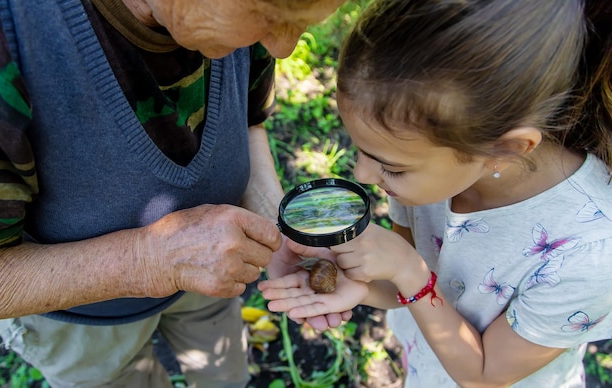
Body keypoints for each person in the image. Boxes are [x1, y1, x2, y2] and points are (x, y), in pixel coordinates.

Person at [0, 0, 348, 386]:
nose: (283, 47)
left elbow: (244, 119)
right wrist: (152, 260)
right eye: (273, 16)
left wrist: (276, 229)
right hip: (83, 323)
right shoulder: (3, 33)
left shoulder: (234, 18)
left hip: (208, 271)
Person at [258, 0, 612, 386]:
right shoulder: (426, 177)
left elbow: (484, 375)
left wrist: (409, 270)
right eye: (361, 150)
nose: (362, 173)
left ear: (505, 150)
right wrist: (361, 283)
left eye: (390, 165)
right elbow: (406, 291)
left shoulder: (591, 252)